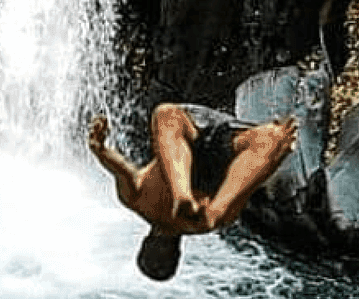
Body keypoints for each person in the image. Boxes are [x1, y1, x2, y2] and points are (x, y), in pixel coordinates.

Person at [86, 104, 299, 281]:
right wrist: (100, 150)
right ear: (144, 242)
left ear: (178, 252)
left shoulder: (201, 225)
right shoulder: (135, 201)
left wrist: (278, 150)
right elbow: (121, 170)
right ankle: (183, 193)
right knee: (165, 114)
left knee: (271, 140)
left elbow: (251, 185)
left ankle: (194, 198)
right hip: (192, 141)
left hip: (216, 163)